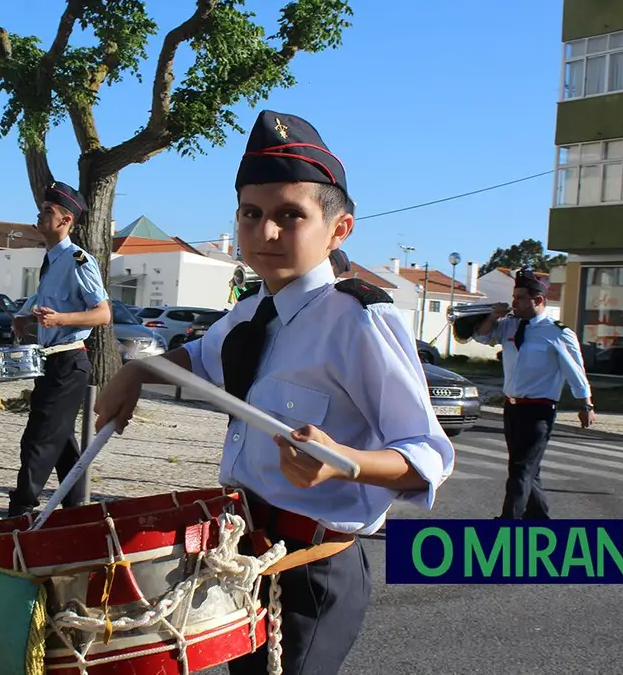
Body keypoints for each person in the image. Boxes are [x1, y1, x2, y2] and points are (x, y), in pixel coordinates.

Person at [93, 110, 456, 674]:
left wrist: (345, 464)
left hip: (312, 569)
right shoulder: (250, 313)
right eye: (251, 214)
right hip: (243, 559)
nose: (265, 232)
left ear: (339, 229)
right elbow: (200, 358)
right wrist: (139, 371)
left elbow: (427, 454)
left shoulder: (358, 321)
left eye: (290, 216)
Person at [6, 181, 111, 517]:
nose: (40, 215)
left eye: (47, 211)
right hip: (51, 362)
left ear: (66, 220)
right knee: (61, 439)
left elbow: (103, 313)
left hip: (69, 361)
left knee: (38, 439)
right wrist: (25, 316)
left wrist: (61, 319)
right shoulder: (51, 260)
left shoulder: (79, 260)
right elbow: (45, 300)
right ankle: (77, 509)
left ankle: (21, 511)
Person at [473, 269, 594, 520]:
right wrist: (493, 316)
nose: (514, 302)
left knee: (520, 469)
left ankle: (509, 522)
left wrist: (585, 404)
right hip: (512, 407)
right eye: (513, 296)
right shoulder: (508, 325)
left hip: (539, 411)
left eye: (519, 297)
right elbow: (482, 337)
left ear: (538, 301)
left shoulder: (557, 332)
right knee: (528, 469)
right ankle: (539, 518)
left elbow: (575, 371)